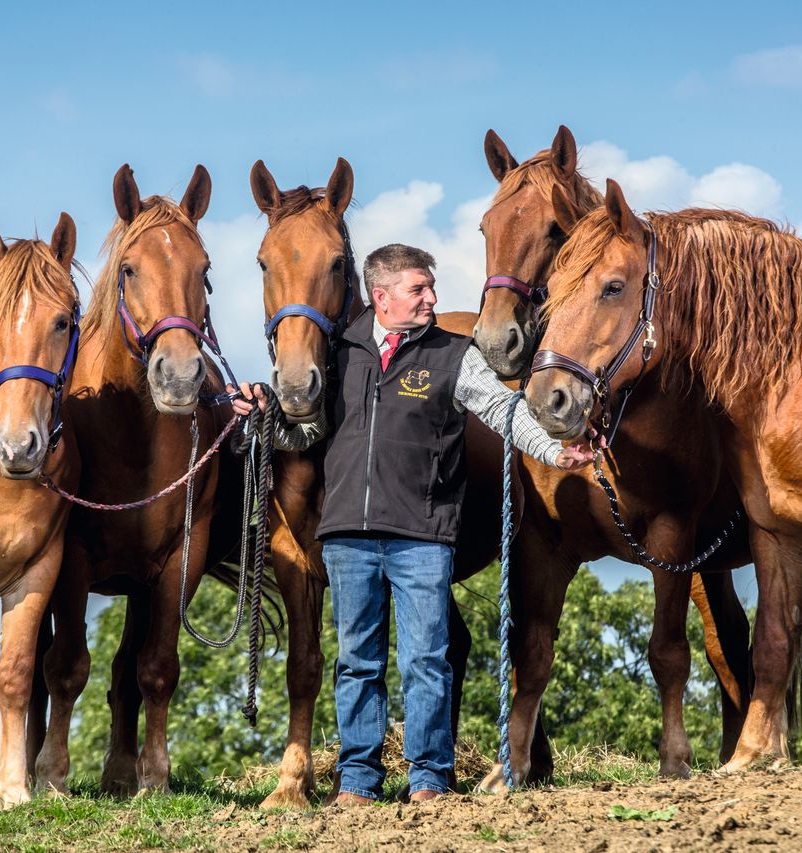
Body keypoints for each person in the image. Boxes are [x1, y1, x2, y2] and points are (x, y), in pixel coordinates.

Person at [232, 244, 592, 806]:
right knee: (358, 663)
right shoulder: (340, 353)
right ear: (382, 296)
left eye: (430, 287)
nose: (432, 298)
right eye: (419, 289)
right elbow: (303, 436)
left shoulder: (453, 354)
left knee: (426, 660)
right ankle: (357, 782)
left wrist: (553, 447)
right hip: (349, 533)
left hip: (423, 533)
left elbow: (502, 410)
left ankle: (429, 778)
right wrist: (263, 416)